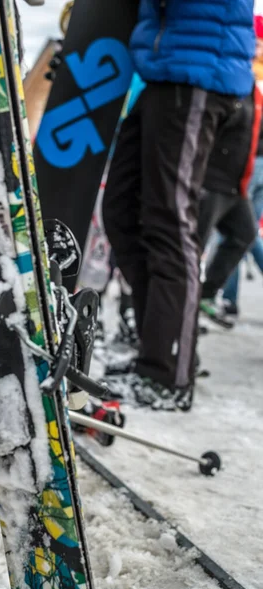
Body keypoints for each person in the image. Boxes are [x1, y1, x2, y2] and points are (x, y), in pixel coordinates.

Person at [102, 0, 255, 411]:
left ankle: (168, 372)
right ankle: (157, 347)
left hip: (198, 70)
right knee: (120, 214)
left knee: (169, 222)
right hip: (162, 69)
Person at [198, 85, 262, 327]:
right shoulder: (227, 84)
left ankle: (205, 294)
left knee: (245, 234)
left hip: (236, 184)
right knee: (192, 249)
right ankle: (183, 314)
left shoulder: (251, 88)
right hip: (212, 181)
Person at [222, 17, 263, 316]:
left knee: (238, 232)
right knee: (242, 233)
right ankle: (226, 296)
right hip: (250, 163)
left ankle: (226, 297)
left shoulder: (250, 76)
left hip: (248, 163)